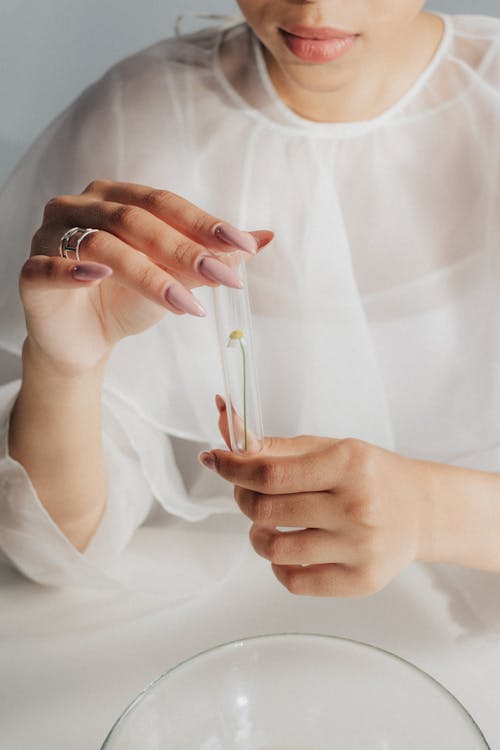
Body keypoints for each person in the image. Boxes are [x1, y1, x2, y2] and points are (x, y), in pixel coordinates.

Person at [1, 1, 500, 600]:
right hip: (212, 617)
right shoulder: (139, 119)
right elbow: (56, 553)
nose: (314, 6)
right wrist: (62, 368)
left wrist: (432, 512)